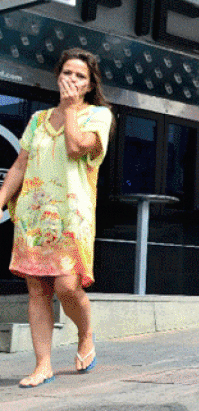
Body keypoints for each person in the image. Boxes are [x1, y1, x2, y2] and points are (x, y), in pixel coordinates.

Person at [0, 48, 113, 387]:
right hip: (34, 216)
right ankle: (43, 365)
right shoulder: (37, 119)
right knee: (36, 289)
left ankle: (85, 333)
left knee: (66, 285)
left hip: (71, 216)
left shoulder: (98, 116)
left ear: (90, 84)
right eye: (67, 73)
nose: (72, 80)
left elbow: (77, 147)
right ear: (58, 75)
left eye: (80, 76)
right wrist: (2, 199)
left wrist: (70, 108)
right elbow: (21, 164)